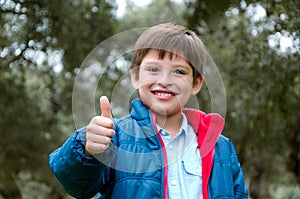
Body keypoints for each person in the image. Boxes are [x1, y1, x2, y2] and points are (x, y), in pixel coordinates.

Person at [49, 23, 249, 199]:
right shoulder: (114, 138)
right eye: (153, 69)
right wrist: (87, 149)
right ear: (135, 77)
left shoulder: (221, 147)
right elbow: (78, 187)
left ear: (196, 83)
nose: (164, 81)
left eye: (179, 71)